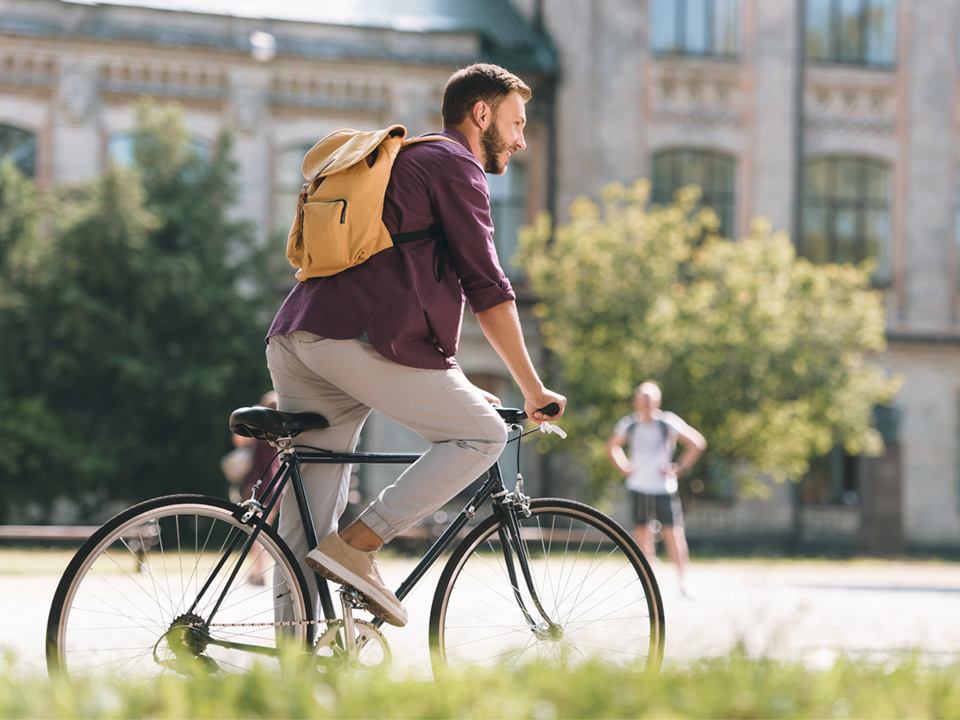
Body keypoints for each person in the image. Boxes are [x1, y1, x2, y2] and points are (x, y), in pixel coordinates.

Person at [264, 63, 565, 627]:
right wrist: (532, 387)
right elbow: (488, 288)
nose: (523, 138)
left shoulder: (408, 158)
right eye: (517, 121)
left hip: (299, 332)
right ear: (482, 114)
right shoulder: (456, 164)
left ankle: (295, 669)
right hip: (354, 339)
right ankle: (359, 544)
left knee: (303, 526)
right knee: (482, 433)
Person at [605, 381, 706, 597]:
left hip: (663, 488)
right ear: (635, 401)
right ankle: (647, 584)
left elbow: (697, 442)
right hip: (639, 485)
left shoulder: (667, 422)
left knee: (674, 533)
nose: (646, 404)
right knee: (642, 534)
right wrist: (624, 466)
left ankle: (684, 582)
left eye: (650, 399)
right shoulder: (629, 424)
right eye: (642, 399)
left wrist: (679, 467)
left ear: (658, 401)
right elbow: (612, 446)